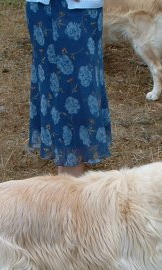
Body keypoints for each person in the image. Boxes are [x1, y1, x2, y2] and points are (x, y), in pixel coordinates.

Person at [26, 0, 112, 177]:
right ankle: (65, 173)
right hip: (41, 7)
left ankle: (71, 185)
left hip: (77, 8)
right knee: (49, 83)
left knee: (78, 87)